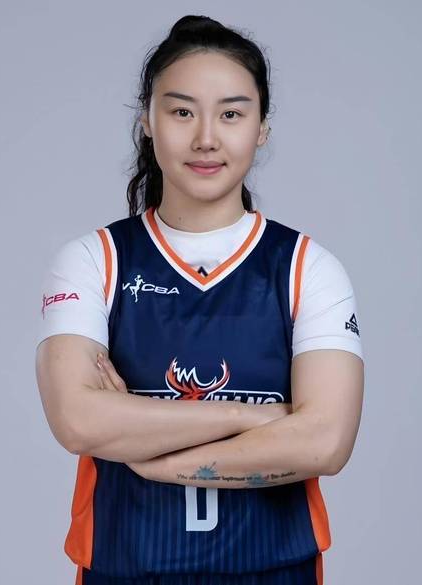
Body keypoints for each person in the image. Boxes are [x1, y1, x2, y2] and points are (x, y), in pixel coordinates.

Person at [35, 14, 364, 585]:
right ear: (147, 121)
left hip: (275, 571)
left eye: (231, 114)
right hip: (126, 569)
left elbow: (325, 442)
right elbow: (77, 420)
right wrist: (253, 417)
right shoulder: (94, 261)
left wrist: (148, 456)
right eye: (182, 112)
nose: (206, 137)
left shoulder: (308, 268)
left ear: (261, 128)